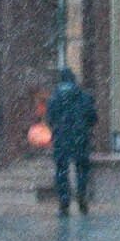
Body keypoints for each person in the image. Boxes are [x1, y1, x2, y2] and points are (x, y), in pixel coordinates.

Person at [47, 66, 97, 216]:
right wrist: (83, 127)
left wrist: (59, 128)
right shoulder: (84, 96)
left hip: (62, 138)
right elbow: (93, 117)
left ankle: (64, 203)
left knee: (61, 170)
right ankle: (81, 196)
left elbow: (50, 119)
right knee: (82, 168)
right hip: (80, 137)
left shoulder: (55, 98)